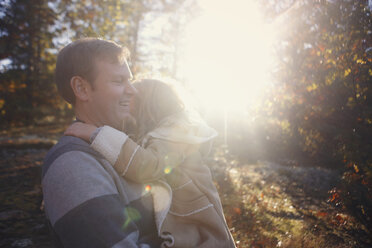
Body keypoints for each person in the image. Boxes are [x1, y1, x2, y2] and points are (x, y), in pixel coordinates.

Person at [64, 79, 236, 248]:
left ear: (147, 105)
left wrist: (98, 135)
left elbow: (148, 165)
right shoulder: (161, 134)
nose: (125, 99)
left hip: (200, 230)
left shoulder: (174, 133)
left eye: (131, 99)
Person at [42, 38, 162, 247]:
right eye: (118, 81)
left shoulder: (121, 147)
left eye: (130, 80)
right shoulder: (72, 166)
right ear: (81, 88)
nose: (132, 91)